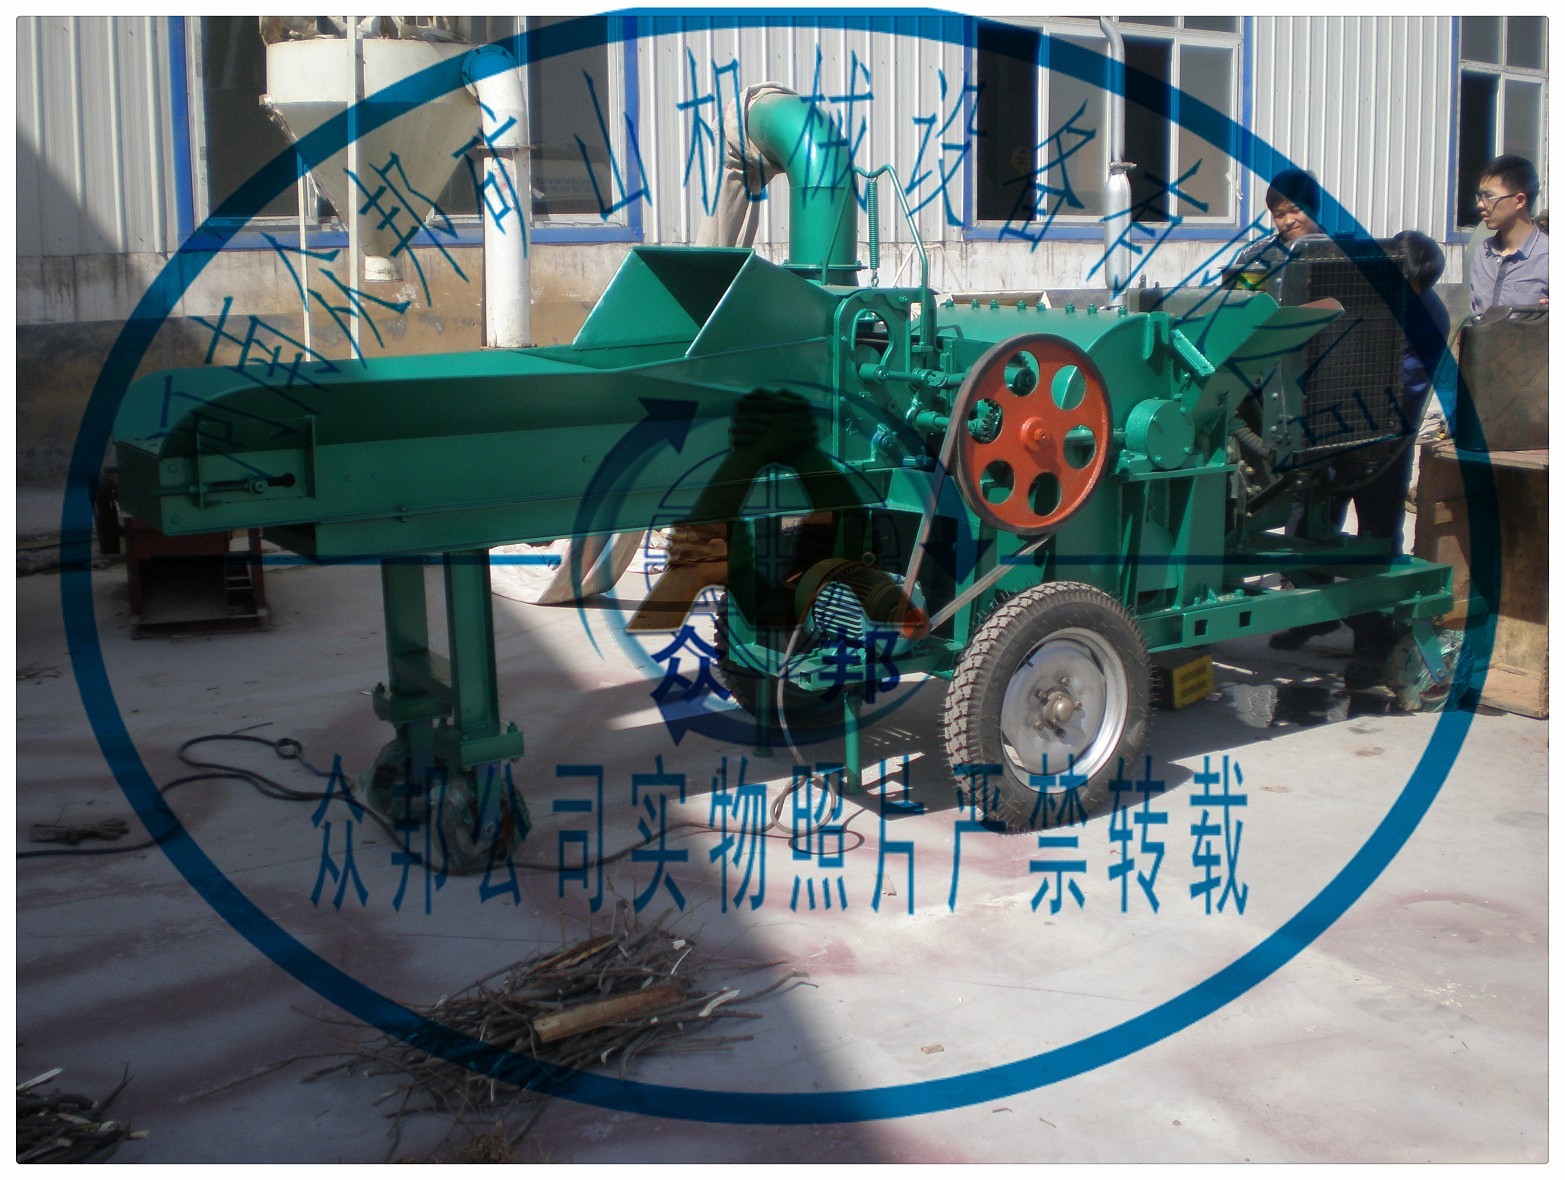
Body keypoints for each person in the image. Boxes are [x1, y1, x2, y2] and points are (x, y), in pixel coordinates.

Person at [1271, 230, 1451, 665]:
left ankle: (1374, 635)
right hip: (1324, 428)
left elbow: (1410, 381)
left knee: (1377, 531)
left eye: (1411, 290)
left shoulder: (1431, 317)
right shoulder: (1349, 290)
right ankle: (1311, 613)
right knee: (1308, 523)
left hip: (1383, 440)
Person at [1469, 155, 1549, 315]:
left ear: (1519, 201)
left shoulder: (1547, 256)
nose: (1480, 205)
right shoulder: (1482, 254)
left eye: (1489, 196)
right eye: (1480, 196)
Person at [1230, 169, 1324, 274]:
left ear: (1315, 208)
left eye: (1295, 211)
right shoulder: (1254, 257)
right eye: (1280, 215)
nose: (1288, 221)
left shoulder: (1337, 250)